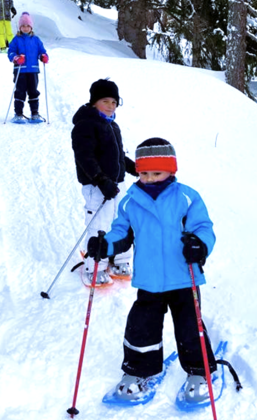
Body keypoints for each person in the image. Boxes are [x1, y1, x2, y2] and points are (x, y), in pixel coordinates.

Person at [86, 137, 217, 404]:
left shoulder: (187, 197)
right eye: (144, 173)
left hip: (184, 277)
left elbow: (204, 227)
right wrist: (105, 245)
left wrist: (199, 245)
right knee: (141, 326)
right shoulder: (130, 201)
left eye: (156, 172)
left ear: (171, 170)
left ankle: (199, 371)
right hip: (149, 280)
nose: (149, 178)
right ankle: (138, 371)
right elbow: (121, 232)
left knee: (190, 326)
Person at [71, 79, 138, 287]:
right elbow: (85, 158)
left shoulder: (112, 126)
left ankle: (120, 258)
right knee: (99, 224)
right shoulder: (85, 126)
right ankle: (94, 266)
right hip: (97, 187)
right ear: (93, 103)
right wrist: (101, 180)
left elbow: (117, 156)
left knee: (123, 220)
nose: (111, 106)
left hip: (117, 184)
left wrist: (132, 167)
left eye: (114, 102)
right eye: (106, 101)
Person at [7, 12, 49, 123]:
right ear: (20, 27)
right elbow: (10, 52)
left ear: (31, 27)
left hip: (33, 70)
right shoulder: (16, 39)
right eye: (23, 26)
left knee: (33, 91)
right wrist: (16, 58)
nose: (25, 28)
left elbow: (42, 51)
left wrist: (43, 56)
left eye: (27, 26)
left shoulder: (36, 40)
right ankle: (18, 114)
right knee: (20, 91)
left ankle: (35, 113)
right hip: (20, 70)